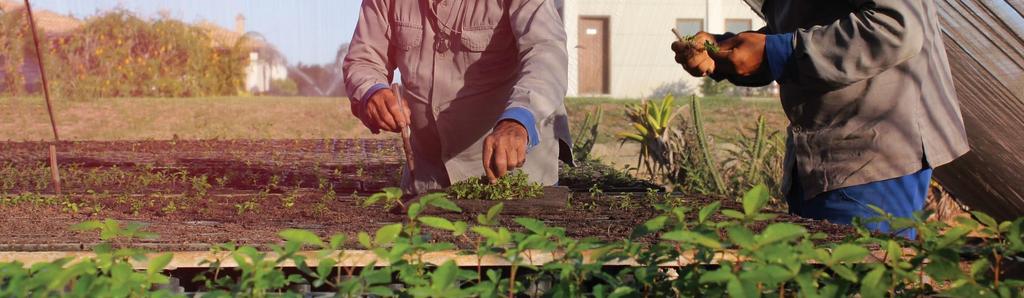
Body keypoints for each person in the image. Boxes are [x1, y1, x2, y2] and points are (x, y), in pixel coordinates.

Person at [671, 0, 970, 238]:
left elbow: (895, 27)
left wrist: (777, 51)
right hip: (822, 155)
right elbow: (803, 27)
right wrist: (726, 52)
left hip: (872, 160)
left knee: (859, 277)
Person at [344, 0, 572, 195]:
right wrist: (371, 91)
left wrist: (518, 120)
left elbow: (546, 54)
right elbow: (364, 59)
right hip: (428, 178)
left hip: (515, 177)